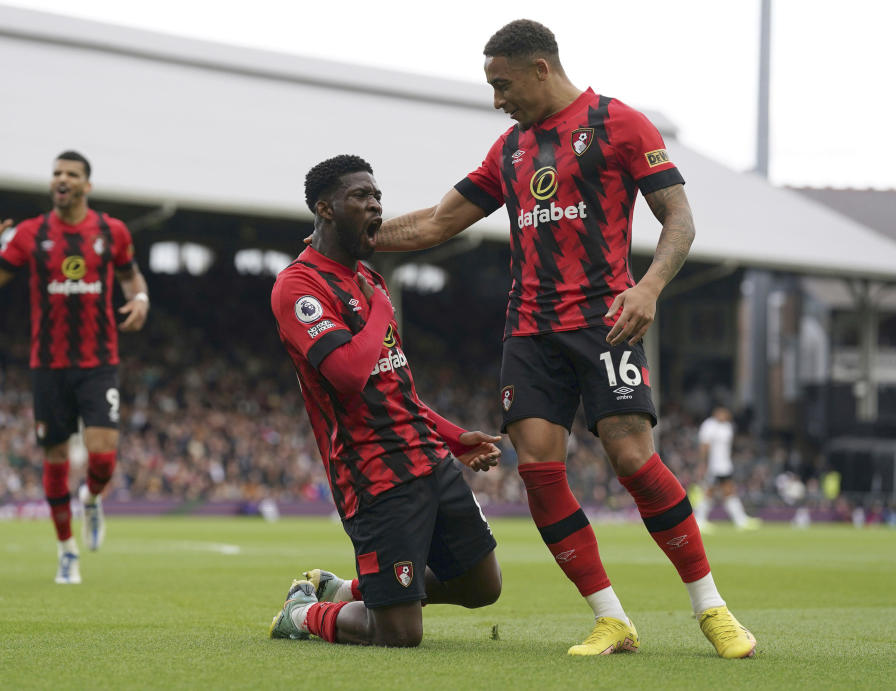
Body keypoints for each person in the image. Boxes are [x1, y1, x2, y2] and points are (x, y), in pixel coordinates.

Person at [368, 20, 756, 658]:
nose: (497, 99)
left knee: (632, 461)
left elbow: (680, 220)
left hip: (608, 320)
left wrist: (651, 287)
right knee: (541, 474)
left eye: (503, 84)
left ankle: (710, 607)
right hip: (529, 329)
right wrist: (354, 239)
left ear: (540, 68)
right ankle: (611, 619)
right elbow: (438, 221)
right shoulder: (511, 150)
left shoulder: (618, 123)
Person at [269, 154, 502, 647]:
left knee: (482, 585)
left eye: (377, 196)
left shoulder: (369, 280)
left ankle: (346, 590)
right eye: (360, 196)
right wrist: (379, 308)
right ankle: (305, 614)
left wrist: (456, 438)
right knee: (398, 634)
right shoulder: (299, 285)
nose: (375, 206)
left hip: (428, 459)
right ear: (325, 208)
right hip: (373, 472)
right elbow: (349, 375)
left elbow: (397, 388)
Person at [0, 150, 149, 584]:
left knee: (104, 455)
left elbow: (130, 275)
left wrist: (140, 298)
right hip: (49, 365)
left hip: (99, 361)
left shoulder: (112, 231)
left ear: (86, 185)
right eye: (56, 173)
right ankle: (66, 549)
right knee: (53, 458)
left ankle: (90, 497)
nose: (62, 179)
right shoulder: (31, 234)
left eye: (71, 173)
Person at [694, 406, 760, 530]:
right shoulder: (709, 425)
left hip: (725, 465)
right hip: (713, 466)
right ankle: (699, 520)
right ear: (716, 412)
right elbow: (704, 446)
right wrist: (703, 464)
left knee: (728, 491)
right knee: (710, 491)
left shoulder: (728, 427)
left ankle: (740, 520)